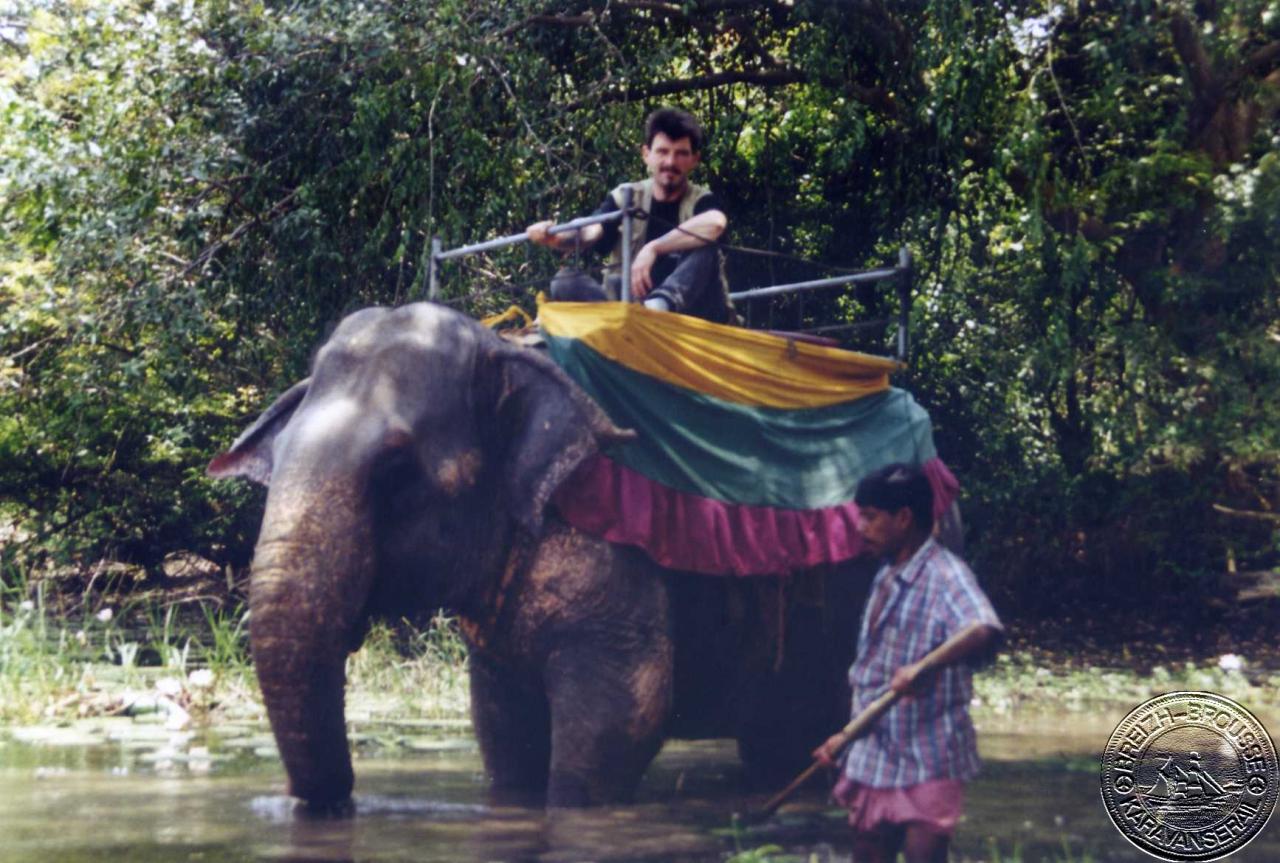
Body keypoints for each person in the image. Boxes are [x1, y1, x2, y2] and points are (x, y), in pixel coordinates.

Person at [812, 463, 1003, 863]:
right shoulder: (886, 574)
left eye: (871, 517)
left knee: (924, 854)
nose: (861, 527)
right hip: (875, 742)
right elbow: (870, 671)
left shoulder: (946, 575)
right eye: (859, 516)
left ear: (903, 518)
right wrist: (843, 740)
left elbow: (982, 627)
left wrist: (922, 669)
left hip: (929, 749)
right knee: (867, 849)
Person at [526, 107, 734, 323]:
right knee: (564, 281)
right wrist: (554, 236)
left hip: (689, 315)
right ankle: (632, 317)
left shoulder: (702, 200)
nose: (670, 162)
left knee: (705, 245)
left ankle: (658, 307)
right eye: (662, 152)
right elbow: (591, 230)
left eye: (681, 154)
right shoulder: (626, 197)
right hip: (629, 309)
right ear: (646, 154)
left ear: (694, 159)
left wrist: (653, 248)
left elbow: (716, 223)